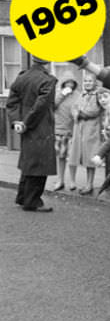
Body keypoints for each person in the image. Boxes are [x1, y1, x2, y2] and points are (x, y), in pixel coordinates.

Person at [6, 55, 57, 212]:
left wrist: (17, 122)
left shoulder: (22, 77)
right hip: (40, 127)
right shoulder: (48, 80)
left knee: (29, 161)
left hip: (24, 127)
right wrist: (27, 123)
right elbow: (40, 106)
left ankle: (22, 197)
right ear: (47, 61)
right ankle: (32, 201)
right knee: (40, 164)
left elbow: (11, 103)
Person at [68, 72, 104, 195]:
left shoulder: (97, 95)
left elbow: (95, 111)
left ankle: (89, 184)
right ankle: (73, 181)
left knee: (90, 157)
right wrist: (75, 113)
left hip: (91, 129)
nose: (88, 83)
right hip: (79, 129)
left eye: (90, 81)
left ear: (95, 82)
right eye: (85, 81)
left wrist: (80, 113)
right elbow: (73, 107)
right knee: (75, 154)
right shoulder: (82, 95)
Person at [53, 71, 80, 191]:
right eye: (67, 82)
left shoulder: (78, 95)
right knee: (60, 157)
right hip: (59, 130)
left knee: (72, 158)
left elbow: (80, 108)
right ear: (63, 83)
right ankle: (60, 180)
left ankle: (73, 181)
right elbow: (52, 106)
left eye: (72, 82)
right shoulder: (58, 94)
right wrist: (62, 94)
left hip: (73, 131)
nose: (69, 85)